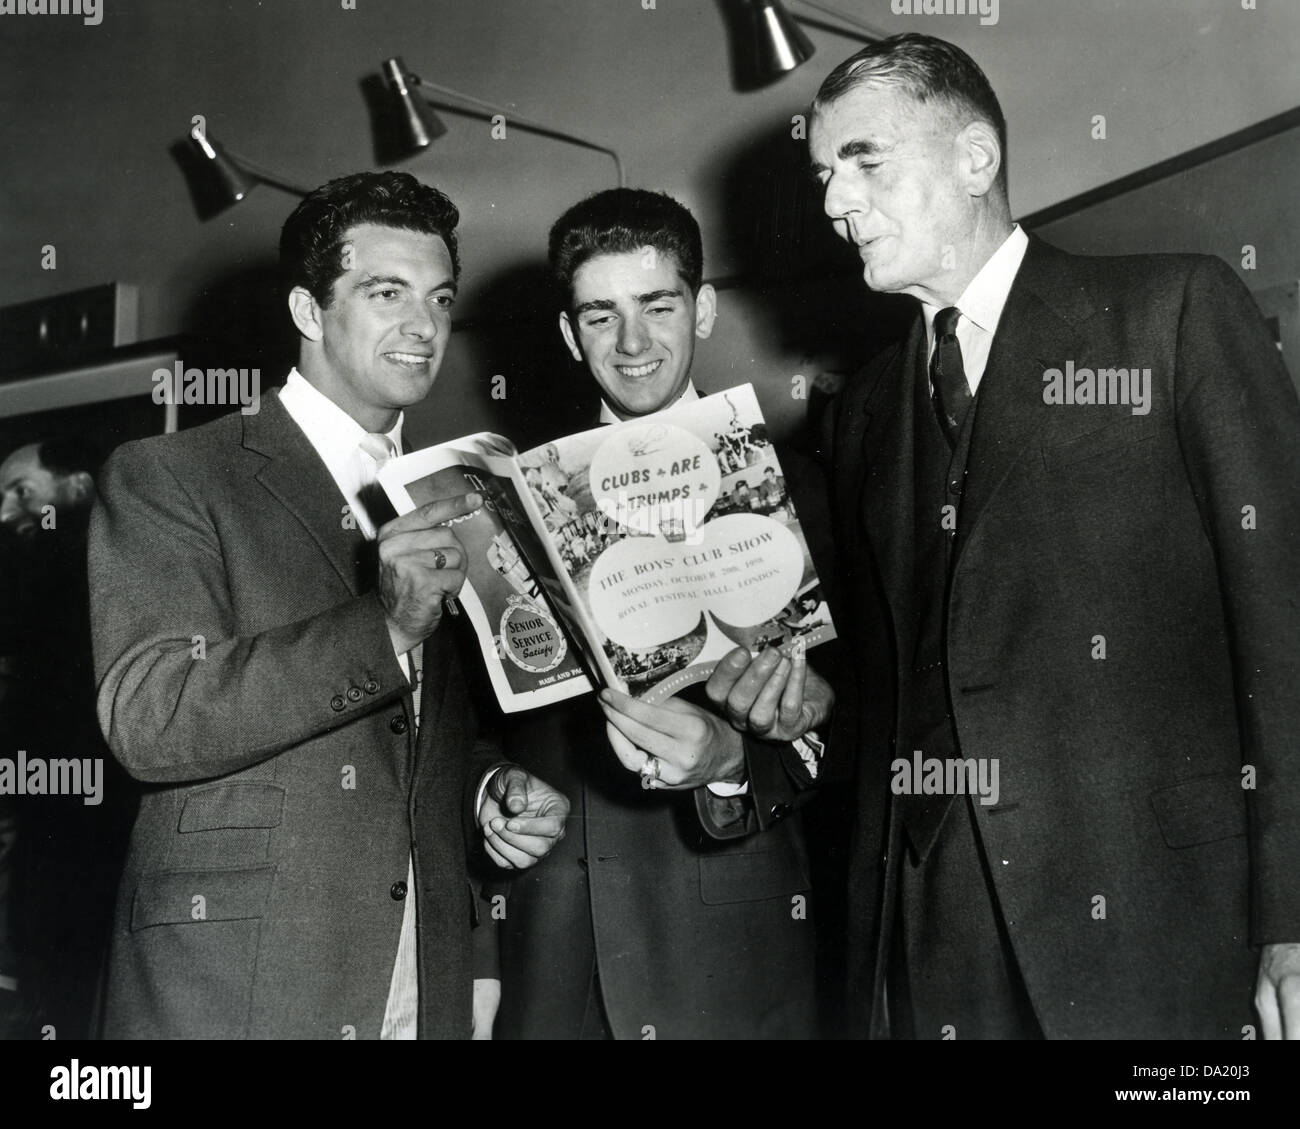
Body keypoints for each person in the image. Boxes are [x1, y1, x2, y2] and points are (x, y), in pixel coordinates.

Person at [713, 33, 1300, 1040]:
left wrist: (1292, 912)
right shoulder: (863, 415)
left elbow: (1285, 625)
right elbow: (887, 691)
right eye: (822, 175)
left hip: (1157, 933)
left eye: (864, 162)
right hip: (926, 938)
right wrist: (794, 707)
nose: (832, 204)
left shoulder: (1170, 313)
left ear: (975, 157)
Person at [87, 171, 568, 1040]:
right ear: (309, 311)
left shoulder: (454, 487)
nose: (423, 326)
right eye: (387, 294)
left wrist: (486, 790)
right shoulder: (174, 475)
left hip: (425, 974)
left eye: (439, 297)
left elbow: (413, 742)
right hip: (244, 983)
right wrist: (384, 625)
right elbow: (149, 716)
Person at [493, 188, 833, 1039]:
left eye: (658, 305)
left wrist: (733, 763)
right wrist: (488, 791)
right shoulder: (513, 509)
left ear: (704, 308)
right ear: (571, 335)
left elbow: (870, 727)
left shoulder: (811, 486)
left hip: (723, 960)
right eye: (601, 316)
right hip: (551, 969)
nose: (633, 342)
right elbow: (476, 728)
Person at [0, 437, 135, 1039]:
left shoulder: (75, 574)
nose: (5, 512)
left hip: (83, 821)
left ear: (77, 488)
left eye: (22, 491)